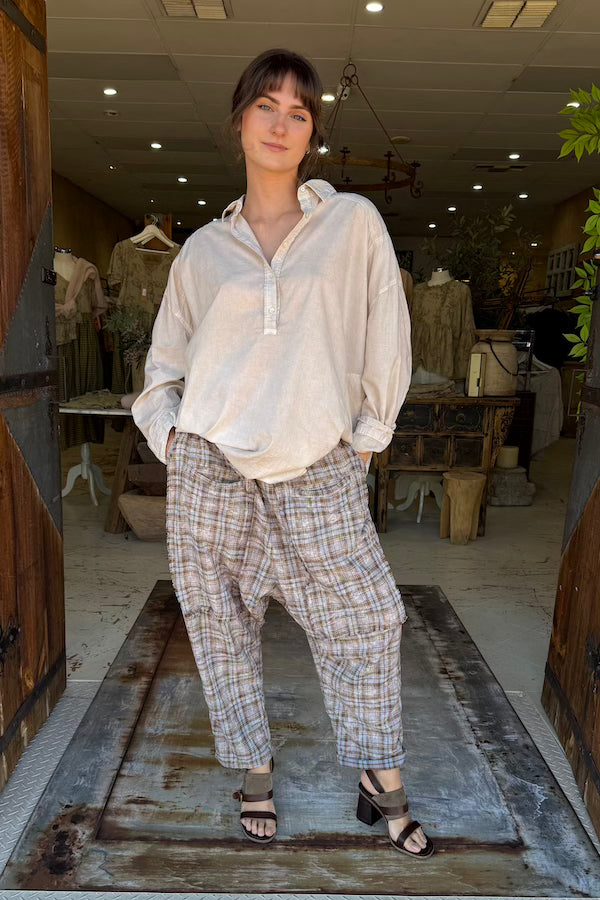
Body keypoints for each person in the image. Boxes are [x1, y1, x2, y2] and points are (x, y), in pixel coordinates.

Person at [131, 48, 433, 859]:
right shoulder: (202, 251)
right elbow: (163, 369)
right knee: (221, 629)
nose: (280, 123)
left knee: (368, 618)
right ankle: (254, 770)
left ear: (312, 135)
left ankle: (380, 772)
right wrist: (176, 443)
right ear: (240, 120)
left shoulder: (350, 224)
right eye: (266, 105)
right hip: (211, 471)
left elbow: (386, 335)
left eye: (298, 112)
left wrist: (365, 443)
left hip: (317, 467)